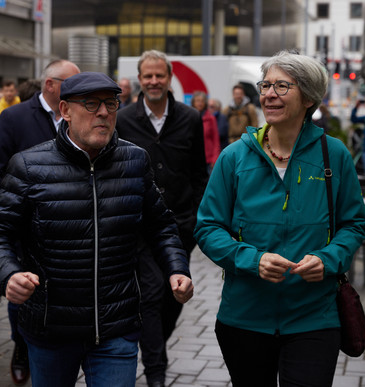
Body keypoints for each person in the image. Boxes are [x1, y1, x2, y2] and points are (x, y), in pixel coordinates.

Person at [0, 71, 194, 387]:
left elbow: (161, 226)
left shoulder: (134, 161)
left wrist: (177, 268)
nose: (104, 112)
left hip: (115, 327)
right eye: (91, 104)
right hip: (52, 328)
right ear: (65, 111)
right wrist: (8, 274)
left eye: (111, 103)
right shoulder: (29, 166)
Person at [194, 50, 365, 387]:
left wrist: (328, 259)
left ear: (309, 97)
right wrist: (252, 259)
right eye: (266, 85)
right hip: (244, 317)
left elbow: (354, 224)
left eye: (282, 86)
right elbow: (208, 226)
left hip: (314, 318)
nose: (269, 94)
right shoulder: (234, 157)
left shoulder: (334, 155)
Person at [0, 59, 80, 385]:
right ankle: (20, 345)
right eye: (71, 82)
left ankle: (42, 343)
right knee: (20, 287)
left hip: (63, 225)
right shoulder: (15, 117)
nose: (80, 89)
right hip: (20, 222)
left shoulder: (78, 115)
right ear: (50, 85)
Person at [116, 49, 208, 387]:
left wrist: (198, 218)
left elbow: (199, 172)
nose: (153, 81)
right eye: (147, 76)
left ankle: (155, 345)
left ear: (169, 79)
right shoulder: (124, 119)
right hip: (139, 226)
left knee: (175, 295)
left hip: (182, 225)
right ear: (139, 79)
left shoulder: (190, 117)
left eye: (159, 75)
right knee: (152, 294)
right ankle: (156, 370)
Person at [191, 91, 221, 171]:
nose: (200, 103)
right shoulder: (189, 118)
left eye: (202, 101)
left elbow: (216, 140)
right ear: (193, 102)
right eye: (197, 101)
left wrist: (215, 157)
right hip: (192, 159)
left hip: (208, 160)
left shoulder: (211, 119)